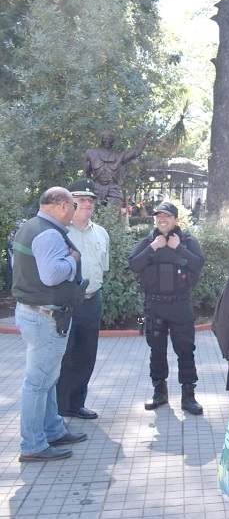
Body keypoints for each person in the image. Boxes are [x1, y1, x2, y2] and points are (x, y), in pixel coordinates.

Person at [11, 187, 88, 462]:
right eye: (74, 206)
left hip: (34, 312)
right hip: (45, 317)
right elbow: (52, 274)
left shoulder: (29, 227)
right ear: (62, 205)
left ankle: (53, 429)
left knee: (46, 379)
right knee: (37, 382)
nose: (74, 213)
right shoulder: (48, 233)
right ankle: (32, 444)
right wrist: (72, 259)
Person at [129, 201, 205, 415]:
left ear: (175, 219)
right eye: (159, 216)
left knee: (186, 350)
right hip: (154, 305)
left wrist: (177, 247)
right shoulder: (147, 241)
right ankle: (159, 393)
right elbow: (134, 264)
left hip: (180, 304)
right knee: (157, 351)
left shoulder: (187, 241)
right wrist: (154, 246)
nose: (162, 219)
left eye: (167, 216)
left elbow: (198, 264)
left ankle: (188, 396)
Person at [56, 178, 109, 420]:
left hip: (92, 300)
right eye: (81, 199)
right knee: (64, 357)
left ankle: (76, 404)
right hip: (66, 303)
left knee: (87, 355)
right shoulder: (58, 232)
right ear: (70, 203)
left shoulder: (101, 233)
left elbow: (102, 268)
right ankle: (58, 409)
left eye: (91, 200)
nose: (87, 203)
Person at [84, 129, 152, 205]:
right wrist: (87, 191)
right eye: (105, 138)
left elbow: (136, 152)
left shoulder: (120, 155)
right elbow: (86, 174)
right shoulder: (91, 153)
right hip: (96, 189)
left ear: (112, 140)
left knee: (113, 213)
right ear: (101, 139)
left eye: (109, 139)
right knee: (92, 213)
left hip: (113, 189)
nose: (107, 141)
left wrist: (145, 139)